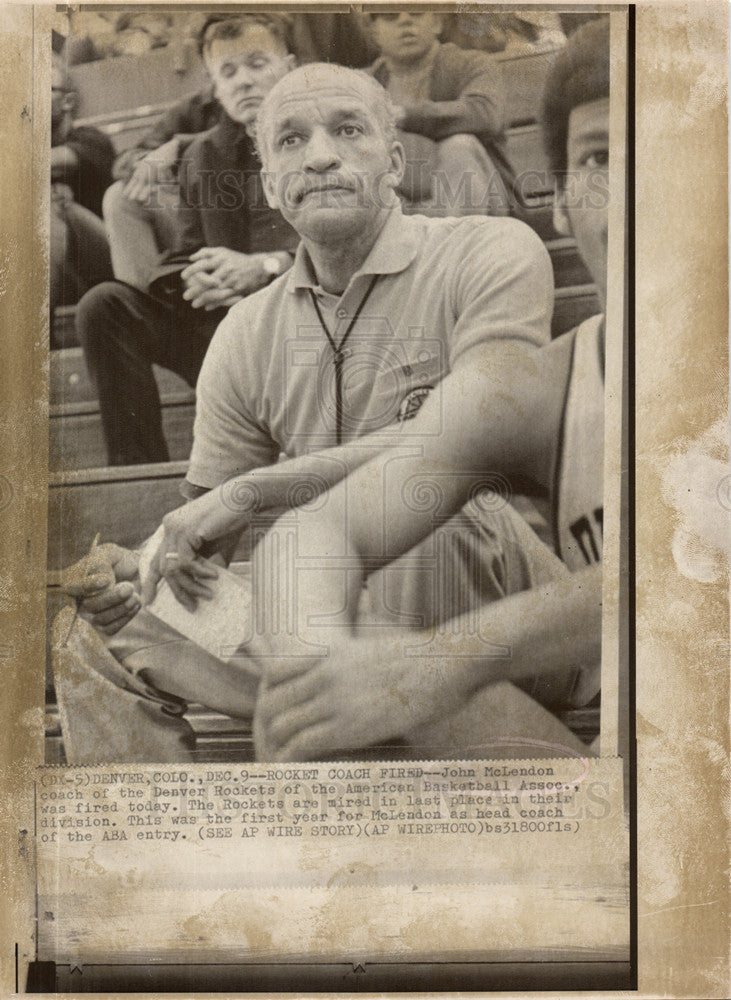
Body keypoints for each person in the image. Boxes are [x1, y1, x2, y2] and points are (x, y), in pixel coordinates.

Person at [54, 62, 563, 764]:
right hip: (329, 629)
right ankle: (150, 858)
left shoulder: (488, 250)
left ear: (392, 159)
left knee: (426, 510)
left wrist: (257, 488)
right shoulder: (245, 330)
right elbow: (205, 551)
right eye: (290, 140)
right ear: (270, 184)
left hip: (508, 618)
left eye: (346, 129)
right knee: (102, 623)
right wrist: (142, 568)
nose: (319, 154)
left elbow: (481, 443)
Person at [242, 16, 613, 761]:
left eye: (688, 145)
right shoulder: (550, 387)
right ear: (564, 205)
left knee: (437, 535)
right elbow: (310, 535)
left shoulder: (479, 251)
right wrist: (323, 673)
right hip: (645, 820)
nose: (647, 186)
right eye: (602, 157)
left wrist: (439, 661)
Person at [76, 14, 299, 467]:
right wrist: (193, 277)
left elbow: (357, 245)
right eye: (229, 72)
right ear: (215, 87)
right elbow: (185, 249)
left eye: (258, 64)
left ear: (289, 67)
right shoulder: (205, 152)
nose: (244, 82)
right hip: (226, 338)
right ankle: (137, 473)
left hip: (306, 331)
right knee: (105, 304)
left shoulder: (325, 135)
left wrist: (266, 267)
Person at [365, 10, 515, 216]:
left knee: (458, 146)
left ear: (436, 22)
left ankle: (458, 244)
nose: (405, 21)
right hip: (402, 213)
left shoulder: (471, 65)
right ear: (375, 33)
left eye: (416, 12)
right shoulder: (365, 84)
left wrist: (405, 115)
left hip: (482, 210)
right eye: (391, 15)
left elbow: (486, 113)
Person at [50, 51, 114, 322]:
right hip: (57, 272)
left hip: (104, 267)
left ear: (68, 101)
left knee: (49, 206)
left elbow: (50, 162)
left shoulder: (92, 141)